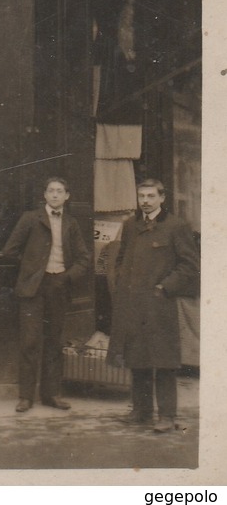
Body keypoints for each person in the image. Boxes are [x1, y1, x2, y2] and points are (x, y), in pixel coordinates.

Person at [108, 177, 199, 432]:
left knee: (165, 361)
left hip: (160, 305)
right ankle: (141, 412)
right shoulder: (130, 225)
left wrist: (164, 287)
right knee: (138, 358)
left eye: (150, 197)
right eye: (141, 197)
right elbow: (121, 258)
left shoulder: (176, 226)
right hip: (133, 304)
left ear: (162, 198)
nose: (145, 202)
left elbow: (190, 266)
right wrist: (119, 282)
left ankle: (167, 416)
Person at [2, 176, 90, 413]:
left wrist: (66, 277)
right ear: (44, 195)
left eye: (59, 191)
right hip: (33, 289)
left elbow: (84, 259)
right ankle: (26, 397)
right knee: (29, 341)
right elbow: (10, 250)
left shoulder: (71, 224)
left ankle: (52, 395)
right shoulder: (31, 219)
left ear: (67, 196)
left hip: (58, 287)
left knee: (54, 342)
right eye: (51, 191)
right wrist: (32, 269)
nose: (54, 195)